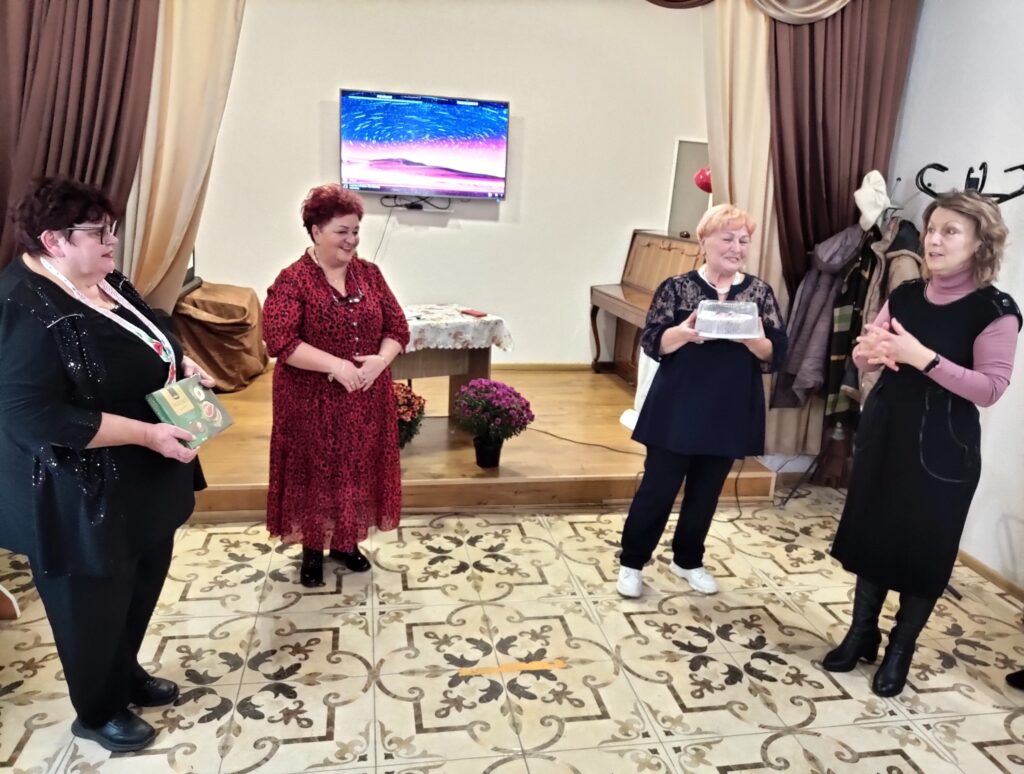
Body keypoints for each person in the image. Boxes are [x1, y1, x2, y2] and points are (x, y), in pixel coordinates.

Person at [0, 177, 212, 752]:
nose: (112, 241)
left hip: (145, 476)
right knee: (90, 605)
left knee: (140, 582)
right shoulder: (25, 304)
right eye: (98, 232)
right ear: (53, 240)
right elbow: (31, 414)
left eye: (111, 229)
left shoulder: (104, 279)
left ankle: (123, 671)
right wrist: (145, 433)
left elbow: (148, 334)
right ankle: (96, 710)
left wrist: (180, 364)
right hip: (80, 493)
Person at [827, 190, 1021, 697]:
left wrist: (923, 358)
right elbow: (866, 355)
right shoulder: (907, 294)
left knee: (923, 549)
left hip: (943, 449)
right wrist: (869, 351)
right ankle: (861, 633)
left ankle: (900, 649)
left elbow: (990, 389)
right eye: (932, 229)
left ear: (981, 243)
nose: (933, 239)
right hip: (886, 431)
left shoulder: (996, 310)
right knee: (872, 535)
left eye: (949, 231)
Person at [617, 204, 787, 598]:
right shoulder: (677, 288)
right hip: (677, 406)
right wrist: (685, 333)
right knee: (658, 489)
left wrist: (752, 339)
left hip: (730, 408)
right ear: (704, 241)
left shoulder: (759, 292)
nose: (736, 247)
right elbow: (653, 342)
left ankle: (688, 559)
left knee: (706, 493)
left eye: (743, 240)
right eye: (727, 238)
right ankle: (632, 562)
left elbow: (775, 353)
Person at [263, 184, 409, 587]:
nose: (351, 240)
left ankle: (345, 541)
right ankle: (312, 548)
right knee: (315, 470)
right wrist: (336, 366)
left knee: (355, 467)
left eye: (356, 231)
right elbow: (280, 341)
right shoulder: (293, 280)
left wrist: (381, 360)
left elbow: (398, 328)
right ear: (316, 231)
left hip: (365, 396)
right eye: (341, 231)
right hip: (310, 400)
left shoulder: (370, 274)